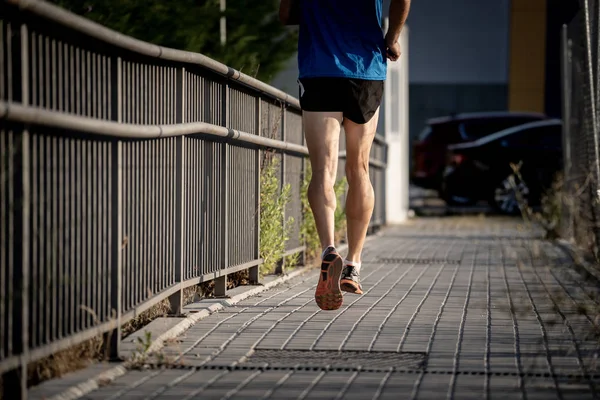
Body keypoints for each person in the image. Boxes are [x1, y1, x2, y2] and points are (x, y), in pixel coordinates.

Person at [279, 0, 411, 310]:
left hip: (319, 70)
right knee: (359, 170)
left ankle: (329, 250)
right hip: (365, 69)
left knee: (323, 171)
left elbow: (285, 14)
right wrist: (392, 37)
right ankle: (353, 264)